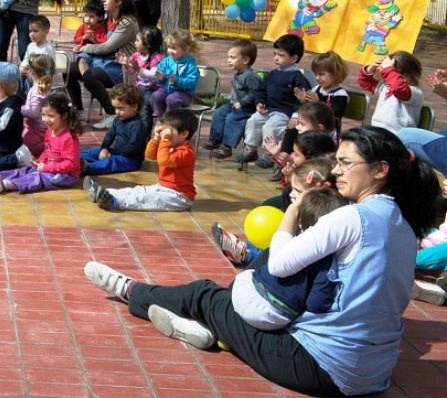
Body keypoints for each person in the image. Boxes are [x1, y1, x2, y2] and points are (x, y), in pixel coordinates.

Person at [86, 127, 440, 397]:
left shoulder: (352, 217)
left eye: (346, 163)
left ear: (380, 171)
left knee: (208, 295)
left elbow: (280, 264)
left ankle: (132, 291)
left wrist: (297, 206)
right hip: (375, 373)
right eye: (337, 162)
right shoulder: (404, 224)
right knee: (256, 307)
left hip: (322, 367)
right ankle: (206, 333)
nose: (339, 171)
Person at [231, 186, 349, 330]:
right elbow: (317, 304)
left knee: (248, 273)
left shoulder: (291, 240)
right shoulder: (328, 262)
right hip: (273, 317)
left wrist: (294, 208)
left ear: (299, 222)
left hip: (243, 295)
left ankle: (246, 253)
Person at [213, 154, 338, 267]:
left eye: (298, 191)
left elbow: (283, 262)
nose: (293, 194)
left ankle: (247, 254)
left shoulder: (319, 223)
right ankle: (245, 249)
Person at [84, 109, 197, 212]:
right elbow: (150, 155)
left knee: (144, 199)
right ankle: (104, 193)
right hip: (164, 187)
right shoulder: (169, 145)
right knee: (138, 190)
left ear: (184, 134)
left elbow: (163, 161)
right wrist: (156, 138)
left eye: (169, 130)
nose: (165, 134)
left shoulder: (186, 152)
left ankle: (115, 201)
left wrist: (165, 140)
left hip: (180, 197)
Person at [0, 91, 83, 195]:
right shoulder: (50, 131)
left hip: (66, 176)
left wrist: (46, 167)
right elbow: (47, 150)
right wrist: (40, 161)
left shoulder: (68, 138)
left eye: (51, 116)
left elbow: (71, 164)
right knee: (27, 170)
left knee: (37, 177)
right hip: (51, 168)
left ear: (64, 116)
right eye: (43, 115)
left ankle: (5, 184)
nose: (46, 119)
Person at [68, 0, 140, 130]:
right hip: (103, 62)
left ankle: (112, 114)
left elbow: (108, 47)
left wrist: (84, 48)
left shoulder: (127, 23)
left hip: (121, 67)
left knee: (89, 76)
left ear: (118, 2)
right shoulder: (109, 19)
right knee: (70, 69)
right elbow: (97, 40)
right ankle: (79, 110)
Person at [237, 34, 311, 168]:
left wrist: (295, 116)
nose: (276, 58)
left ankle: (269, 155)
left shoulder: (298, 78)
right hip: (268, 110)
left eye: (281, 55)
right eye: (275, 54)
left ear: (294, 58)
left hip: (284, 113)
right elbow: (261, 90)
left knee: (270, 127)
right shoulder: (272, 74)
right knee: (253, 120)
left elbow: (304, 101)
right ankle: (251, 149)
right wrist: (259, 102)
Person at [204, 40, 262, 159]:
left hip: (246, 109)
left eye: (232, 57)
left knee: (232, 118)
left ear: (245, 60)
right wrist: (232, 101)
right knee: (218, 113)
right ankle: (215, 140)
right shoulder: (236, 74)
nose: (228, 60)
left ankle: (227, 147)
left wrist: (242, 103)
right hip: (233, 106)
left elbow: (255, 93)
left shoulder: (251, 76)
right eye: (228, 57)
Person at [80, 84, 148, 175]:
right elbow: (110, 134)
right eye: (115, 108)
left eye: (120, 108)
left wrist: (112, 154)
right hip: (116, 152)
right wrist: (104, 148)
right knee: (92, 152)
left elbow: (133, 147)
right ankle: (72, 158)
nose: (116, 112)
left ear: (134, 107)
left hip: (130, 159)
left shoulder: (137, 125)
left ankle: (86, 168)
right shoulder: (118, 119)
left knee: (112, 162)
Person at [358, 51, 423, 133]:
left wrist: (388, 69)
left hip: (398, 135)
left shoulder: (415, 93)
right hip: (378, 131)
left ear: (407, 75)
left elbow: (398, 88)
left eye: (394, 73)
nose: (387, 76)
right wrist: (371, 67)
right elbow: (365, 83)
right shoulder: (386, 87)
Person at [116, 25, 163, 131]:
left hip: (153, 89)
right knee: (126, 97)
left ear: (148, 44)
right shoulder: (136, 56)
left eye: (137, 40)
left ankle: (145, 132)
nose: (135, 43)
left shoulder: (157, 58)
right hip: (139, 87)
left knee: (145, 103)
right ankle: (126, 127)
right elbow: (131, 72)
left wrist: (138, 69)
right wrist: (126, 65)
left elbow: (153, 74)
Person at [297, 51, 350, 138]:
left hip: (328, 132)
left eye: (321, 74)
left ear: (336, 74)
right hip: (312, 127)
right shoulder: (316, 89)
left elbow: (334, 114)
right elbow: (308, 111)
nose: (317, 78)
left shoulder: (340, 94)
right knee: (292, 132)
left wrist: (318, 102)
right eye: (316, 74)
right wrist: (304, 102)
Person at [148, 30, 200, 116]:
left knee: (172, 99)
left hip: (184, 94)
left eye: (174, 48)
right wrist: (160, 78)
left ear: (185, 49)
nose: (169, 51)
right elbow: (160, 79)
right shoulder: (166, 61)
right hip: (166, 90)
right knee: (156, 96)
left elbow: (192, 83)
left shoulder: (190, 64)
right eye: (169, 47)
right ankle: (160, 119)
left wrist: (177, 81)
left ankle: (174, 121)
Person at [74, 1, 109, 78]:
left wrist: (94, 40)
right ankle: (86, 79)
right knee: (82, 60)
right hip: (85, 51)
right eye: (86, 15)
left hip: (98, 53)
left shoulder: (102, 28)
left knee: (98, 64)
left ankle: (95, 80)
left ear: (100, 17)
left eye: (91, 16)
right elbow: (76, 39)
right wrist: (84, 37)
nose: (87, 19)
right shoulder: (83, 27)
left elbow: (105, 41)